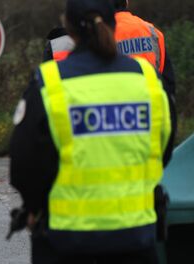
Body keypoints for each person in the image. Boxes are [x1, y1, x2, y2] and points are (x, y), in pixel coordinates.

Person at [9, 0, 176, 263]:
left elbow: (23, 161)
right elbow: (164, 145)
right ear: (113, 22)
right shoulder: (147, 77)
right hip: (136, 237)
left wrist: (34, 207)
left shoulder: (49, 80)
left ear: (68, 27)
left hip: (66, 239)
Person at [113, 0, 176, 97]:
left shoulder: (101, 34)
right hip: (152, 104)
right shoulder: (152, 31)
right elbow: (168, 83)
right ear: (126, 2)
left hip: (119, 106)